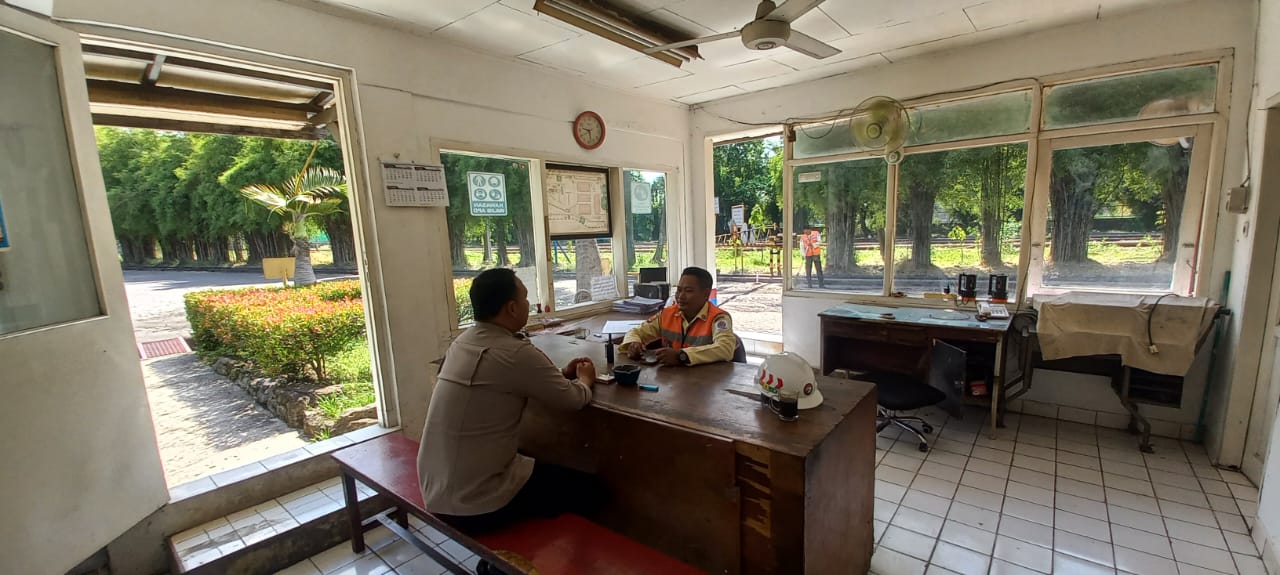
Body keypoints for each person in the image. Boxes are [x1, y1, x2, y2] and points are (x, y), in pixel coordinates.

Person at [417, 268, 603, 534]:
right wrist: (585, 379)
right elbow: (574, 399)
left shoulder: (461, 343)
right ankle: (553, 552)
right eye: (525, 298)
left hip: (435, 488)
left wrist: (560, 375)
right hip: (477, 501)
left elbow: (505, 380)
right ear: (512, 308)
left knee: (541, 467)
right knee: (592, 490)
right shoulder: (515, 352)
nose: (529, 304)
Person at [620, 266, 737, 366]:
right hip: (672, 379)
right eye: (679, 290)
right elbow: (636, 332)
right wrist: (633, 343)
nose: (680, 296)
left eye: (688, 291)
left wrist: (682, 356)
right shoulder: (667, 314)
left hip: (705, 380)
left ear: (706, 294)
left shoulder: (718, 318)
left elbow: (725, 348)